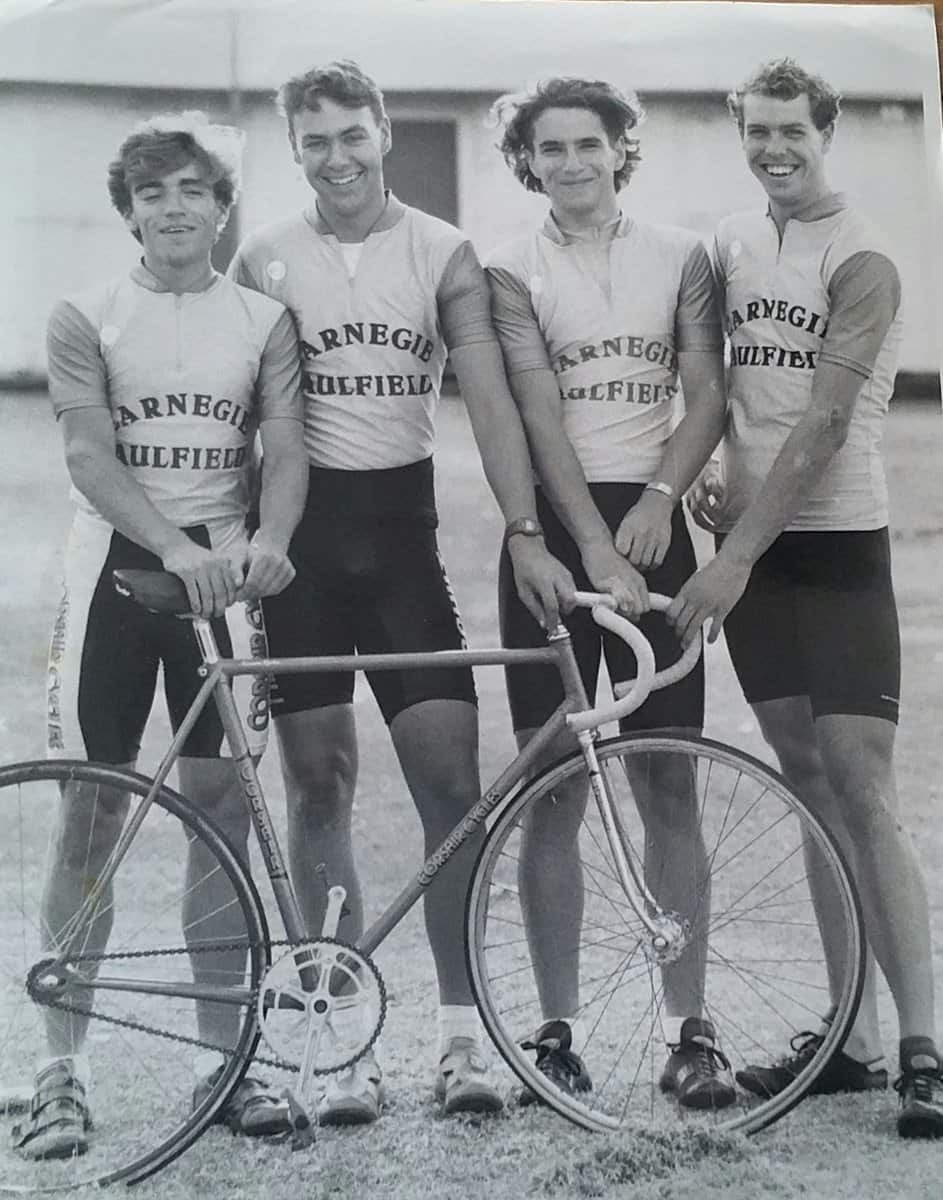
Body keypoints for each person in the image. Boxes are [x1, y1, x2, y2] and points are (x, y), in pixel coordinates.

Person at [228, 60, 574, 1123]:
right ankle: (338, 1045)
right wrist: (250, 561)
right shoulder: (265, 256)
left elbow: (493, 405)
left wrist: (524, 532)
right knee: (319, 788)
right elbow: (251, 426)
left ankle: (463, 1041)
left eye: (351, 135)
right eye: (314, 140)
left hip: (403, 545)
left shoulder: (441, 251)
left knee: (449, 792)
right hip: (305, 559)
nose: (336, 157)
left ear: (383, 132)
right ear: (296, 149)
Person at [16, 112, 308, 1161]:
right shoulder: (86, 314)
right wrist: (169, 547)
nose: (173, 209)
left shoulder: (261, 319)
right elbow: (90, 457)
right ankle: (62, 1072)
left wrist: (268, 539)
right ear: (128, 211)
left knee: (217, 818)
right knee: (89, 816)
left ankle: (219, 1067)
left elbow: (282, 449)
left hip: (221, 585)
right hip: (114, 580)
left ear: (222, 205)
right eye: (152, 194)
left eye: (192, 191)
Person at [668, 58, 943, 1137]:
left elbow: (822, 425)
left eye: (792, 129)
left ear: (826, 132)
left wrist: (732, 553)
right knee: (804, 781)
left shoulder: (862, 254)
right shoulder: (731, 243)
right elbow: (718, 392)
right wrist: (700, 490)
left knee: (864, 789)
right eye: (756, 129)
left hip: (832, 550)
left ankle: (923, 1043)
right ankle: (850, 1037)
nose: (773, 147)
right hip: (752, 550)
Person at [485, 78, 732, 1110]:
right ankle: (557, 1028)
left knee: (666, 779)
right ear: (528, 161)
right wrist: (592, 542)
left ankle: (690, 1032)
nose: (573, 162)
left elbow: (707, 386)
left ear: (620, 151)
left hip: (655, 525)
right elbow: (537, 414)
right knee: (554, 784)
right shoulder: (507, 265)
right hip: (557, 534)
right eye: (552, 148)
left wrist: (661, 503)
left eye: (590, 144)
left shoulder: (682, 251)